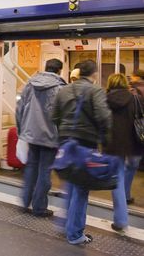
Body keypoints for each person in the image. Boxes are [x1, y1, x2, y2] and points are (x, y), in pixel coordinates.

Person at [52, 59, 112, 245]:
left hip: (66, 143)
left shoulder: (63, 90)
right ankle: (75, 233)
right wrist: (107, 143)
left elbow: (54, 116)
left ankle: (65, 224)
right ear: (94, 74)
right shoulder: (96, 90)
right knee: (81, 188)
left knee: (70, 182)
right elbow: (104, 118)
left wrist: (64, 135)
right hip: (85, 144)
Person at [16, 59, 66, 217]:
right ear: (59, 70)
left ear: (45, 68)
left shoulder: (30, 84)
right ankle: (39, 208)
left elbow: (20, 108)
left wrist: (21, 131)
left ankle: (25, 202)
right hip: (50, 137)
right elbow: (63, 115)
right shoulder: (60, 88)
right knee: (45, 171)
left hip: (31, 134)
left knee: (31, 168)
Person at [104, 73, 140, 232]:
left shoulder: (105, 100)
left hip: (113, 145)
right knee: (128, 169)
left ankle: (120, 220)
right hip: (132, 144)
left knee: (116, 180)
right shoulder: (135, 99)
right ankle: (125, 199)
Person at [126, 69, 144, 204]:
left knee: (131, 165)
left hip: (135, 132)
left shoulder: (131, 92)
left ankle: (125, 194)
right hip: (139, 131)